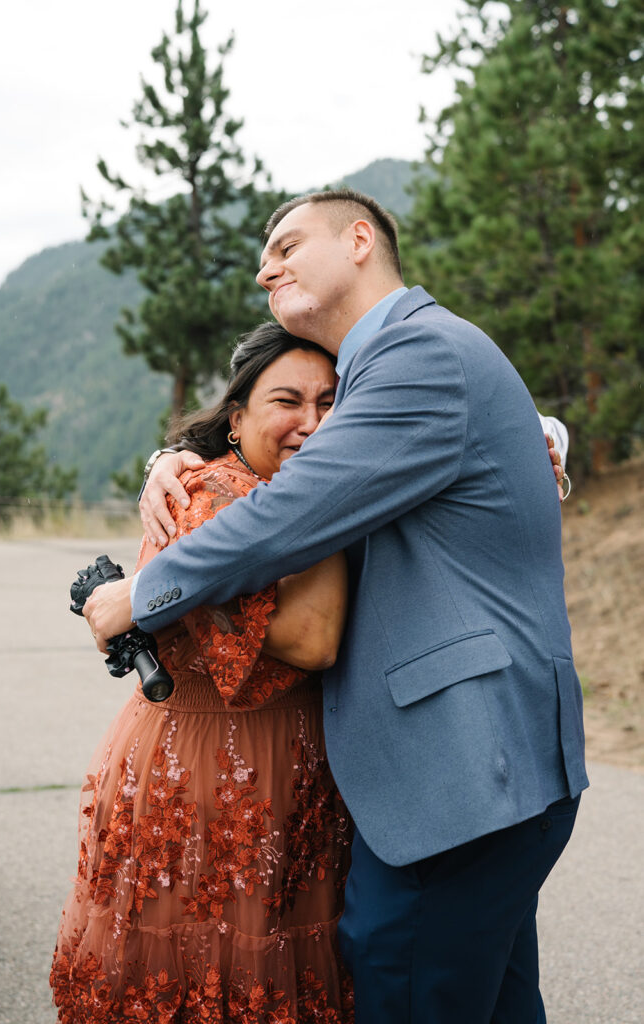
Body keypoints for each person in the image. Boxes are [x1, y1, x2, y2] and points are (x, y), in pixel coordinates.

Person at [85, 188, 588, 1024]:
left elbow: (291, 510)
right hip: (479, 773)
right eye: (262, 257)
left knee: (404, 986)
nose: (263, 267)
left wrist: (139, 594)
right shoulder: (388, 367)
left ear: (360, 240)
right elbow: (303, 446)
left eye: (285, 245)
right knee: (491, 1003)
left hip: (458, 771)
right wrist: (172, 454)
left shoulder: (418, 353)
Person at [51, 324, 355, 1023]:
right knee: (197, 969)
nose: (311, 421)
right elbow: (312, 640)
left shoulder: (281, 485)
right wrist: (331, 486)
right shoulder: (208, 491)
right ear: (236, 415)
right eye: (287, 400)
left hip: (297, 769)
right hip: (208, 768)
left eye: (331, 402)